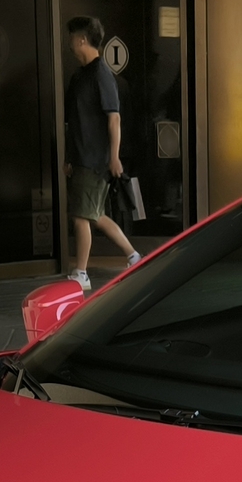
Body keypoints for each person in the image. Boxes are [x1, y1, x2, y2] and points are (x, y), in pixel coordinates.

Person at [64, 15, 141, 290]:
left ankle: (81, 273)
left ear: (82, 39)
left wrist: (114, 156)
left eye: (72, 37)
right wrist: (69, 158)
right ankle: (133, 256)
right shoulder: (80, 76)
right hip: (83, 157)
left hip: (94, 160)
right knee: (95, 214)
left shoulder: (101, 75)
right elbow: (74, 122)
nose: (70, 43)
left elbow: (114, 119)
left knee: (81, 216)